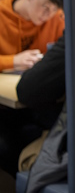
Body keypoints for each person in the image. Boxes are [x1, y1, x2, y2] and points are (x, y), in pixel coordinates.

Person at [0, 33, 65, 181]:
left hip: (40, 110)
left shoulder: (57, 20)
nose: (47, 13)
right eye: (44, 7)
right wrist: (12, 61)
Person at [0, 0, 64, 72]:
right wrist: (13, 61)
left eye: (54, 9)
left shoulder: (58, 17)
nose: (49, 15)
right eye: (45, 7)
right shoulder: (2, 13)